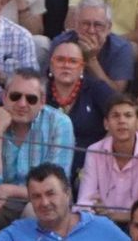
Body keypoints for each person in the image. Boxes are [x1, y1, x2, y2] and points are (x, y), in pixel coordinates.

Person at [0, 68, 75, 241]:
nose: (22, 104)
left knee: (35, 209)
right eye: (15, 96)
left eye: (31, 99)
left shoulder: (59, 124)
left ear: (42, 102)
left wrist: (7, 190)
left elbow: (56, 188)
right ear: (4, 97)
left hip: (37, 199)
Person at [0, 163, 132, 241]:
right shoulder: (20, 230)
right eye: (36, 196)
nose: (44, 203)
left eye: (51, 194)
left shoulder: (101, 227)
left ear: (67, 194)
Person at [77, 94, 138, 224]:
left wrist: (114, 215)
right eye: (115, 116)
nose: (122, 121)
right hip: (99, 222)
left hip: (137, 226)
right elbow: (84, 201)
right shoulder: (94, 151)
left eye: (128, 115)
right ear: (106, 124)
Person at [46, 39, 114, 173]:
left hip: (90, 167)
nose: (66, 65)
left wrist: (99, 153)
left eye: (73, 61)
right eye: (60, 60)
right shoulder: (39, 91)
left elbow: (121, 113)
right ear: (51, 65)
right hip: (47, 166)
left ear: (82, 67)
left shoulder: (96, 89)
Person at [53, 0, 137, 93]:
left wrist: (92, 60)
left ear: (108, 28)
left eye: (98, 25)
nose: (91, 31)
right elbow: (53, 82)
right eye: (85, 24)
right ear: (76, 25)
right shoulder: (61, 43)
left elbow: (116, 94)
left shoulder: (121, 48)